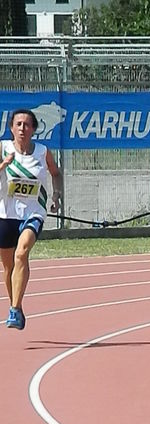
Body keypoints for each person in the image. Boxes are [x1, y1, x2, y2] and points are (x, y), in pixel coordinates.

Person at [0, 108, 62, 330]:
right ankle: (16, 304)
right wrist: (4, 165)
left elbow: (56, 173)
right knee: (8, 268)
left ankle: (14, 309)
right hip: (6, 215)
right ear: (11, 128)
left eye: (27, 125)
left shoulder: (43, 152)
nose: (22, 128)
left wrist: (56, 195)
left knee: (22, 252)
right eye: (18, 124)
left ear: (34, 129)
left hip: (34, 212)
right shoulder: (3, 149)